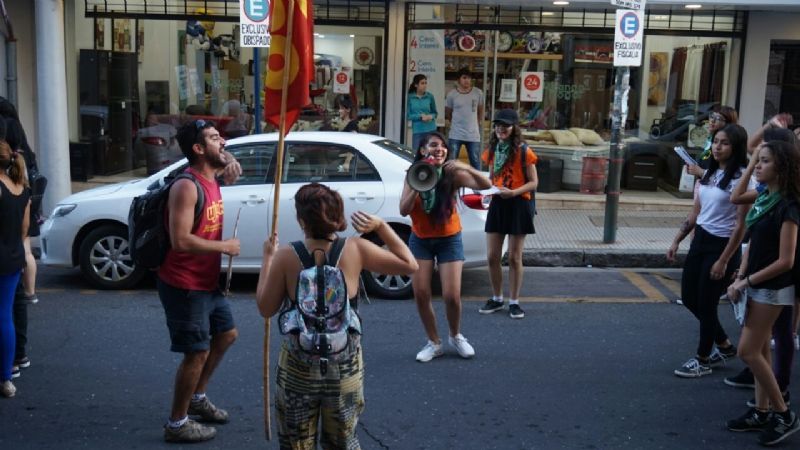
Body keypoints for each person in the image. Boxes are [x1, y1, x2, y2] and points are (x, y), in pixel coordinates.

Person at [256, 183, 417, 448]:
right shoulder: (355, 248)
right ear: (337, 216)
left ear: (301, 220)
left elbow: (265, 308)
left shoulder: (286, 255)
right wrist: (381, 227)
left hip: (298, 367)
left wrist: (267, 258)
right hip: (344, 366)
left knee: (296, 443)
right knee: (343, 441)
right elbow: (410, 265)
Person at [157, 119, 243, 443]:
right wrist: (225, 247)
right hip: (184, 284)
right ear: (198, 149)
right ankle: (177, 423)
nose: (223, 141)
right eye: (214, 138)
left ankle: (197, 397)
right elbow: (180, 240)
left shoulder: (211, 176)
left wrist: (229, 159)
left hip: (206, 281)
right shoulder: (187, 186)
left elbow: (228, 161)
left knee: (227, 334)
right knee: (196, 353)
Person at [724, 140, 800, 445]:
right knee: (762, 351)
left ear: (782, 167)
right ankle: (761, 410)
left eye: (764, 161)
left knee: (747, 351)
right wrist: (741, 274)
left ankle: (784, 413)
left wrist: (747, 282)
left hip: (773, 289)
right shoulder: (766, 197)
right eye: (758, 159)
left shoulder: (789, 206)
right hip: (756, 284)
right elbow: (753, 241)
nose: (757, 166)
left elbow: (786, 261)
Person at [667, 124, 754, 378]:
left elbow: (740, 225)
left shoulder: (742, 179)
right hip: (700, 241)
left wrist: (724, 260)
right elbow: (696, 211)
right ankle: (724, 345)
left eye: (725, 143)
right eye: (716, 141)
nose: (718, 147)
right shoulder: (709, 173)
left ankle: (702, 358)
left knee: (707, 304)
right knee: (690, 298)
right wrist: (677, 240)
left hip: (722, 245)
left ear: (736, 147)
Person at [399, 131, 491, 362]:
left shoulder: (452, 174)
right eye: (433, 145)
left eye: (442, 146)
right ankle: (434, 342)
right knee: (421, 293)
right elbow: (403, 210)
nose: (439, 149)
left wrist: (466, 167)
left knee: (452, 296)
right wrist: (417, 184)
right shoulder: (412, 174)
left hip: (449, 239)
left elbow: (486, 185)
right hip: (421, 239)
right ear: (423, 150)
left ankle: (455, 336)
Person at [478, 109, 538, 320]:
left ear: (514, 128)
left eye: (505, 126)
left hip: (519, 203)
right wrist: (485, 190)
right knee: (492, 256)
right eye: (498, 125)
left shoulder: (524, 151)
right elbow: (491, 178)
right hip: (498, 203)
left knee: (514, 257)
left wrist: (513, 192)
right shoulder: (493, 150)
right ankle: (497, 298)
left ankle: (514, 302)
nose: (500, 129)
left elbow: (534, 182)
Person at [0, 140, 30, 398]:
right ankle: (6, 378)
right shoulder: (21, 187)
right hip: (13, 258)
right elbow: (24, 230)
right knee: (5, 316)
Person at [445, 67, 484, 170]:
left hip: (473, 135)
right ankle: (450, 180)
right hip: (456, 134)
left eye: (469, 78)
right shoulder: (452, 94)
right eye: (464, 78)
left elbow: (480, 111)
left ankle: (477, 181)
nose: (467, 80)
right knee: (451, 163)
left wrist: (477, 123)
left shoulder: (478, 93)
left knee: (475, 163)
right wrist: (454, 122)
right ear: (459, 80)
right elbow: (448, 112)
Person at [688, 105, 739, 176]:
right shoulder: (710, 139)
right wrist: (693, 168)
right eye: (712, 116)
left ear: (728, 123)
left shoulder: (730, 145)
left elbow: (726, 174)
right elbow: (704, 161)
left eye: (718, 118)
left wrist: (701, 172)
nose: (712, 120)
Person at [407, 74, 438, 151]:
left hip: (431, 129)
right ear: (416, 85)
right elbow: (408, 115)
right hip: (418, 131)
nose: (425, 85)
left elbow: (435, 113)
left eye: (425, 83)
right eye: (422, 83)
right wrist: (420, 116)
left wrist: (430, 116)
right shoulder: (409, 97)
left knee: (431, 153)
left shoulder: (430, 96)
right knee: (416, 153)